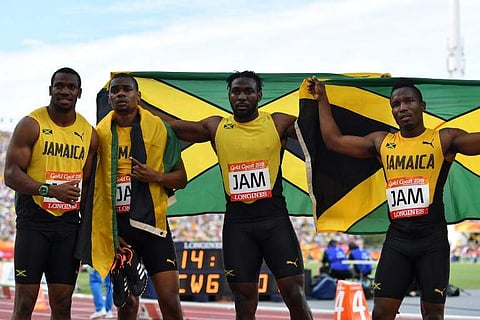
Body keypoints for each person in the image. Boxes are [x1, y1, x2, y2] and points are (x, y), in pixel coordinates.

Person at [309, 76, 480, 320]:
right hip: (398, 240)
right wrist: (322, 99)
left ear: (422, 106)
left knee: (432, 314)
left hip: (432, 241)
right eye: (396, 104)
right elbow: (334, 142)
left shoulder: (444, 139)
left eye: (409, 101)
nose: (402, 108)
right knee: (381, 313)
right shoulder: (382, 142)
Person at [165, 71, 313, 320]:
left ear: (259, 95)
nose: (242, 96)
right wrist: (138, 111)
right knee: (243, 301)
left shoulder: (278, 123)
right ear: (229, 96)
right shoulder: (216, 126)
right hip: (238, 226)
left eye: (248, 91)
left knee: (294, 294)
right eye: (236, 92)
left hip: (275, 221)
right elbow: (172, 127)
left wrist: (318, 100)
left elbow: (319, 134)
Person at [87, 73, 187, 320]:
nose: (121, 94)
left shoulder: (159, 130)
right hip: (118, 230)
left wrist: (156, 176)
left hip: (153, 226)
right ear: (109, 98)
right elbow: (92, 187)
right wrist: (107, 232)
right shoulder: (98, 136)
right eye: (115, 90)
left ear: (138, 96)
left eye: (127, 89)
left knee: (170, 301)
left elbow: (181, 178)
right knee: (127, 304)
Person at [4, 67, 98, 320]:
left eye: (70, 87)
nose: (64, 91)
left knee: (62, 302)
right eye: (59, 86)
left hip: (68, 226)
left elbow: (87, 185)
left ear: (80, 93)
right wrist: (49, 189)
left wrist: (89, 229)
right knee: (24, 303)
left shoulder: (89, 134)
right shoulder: (31, 124)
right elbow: (11, 174)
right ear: (51, 90)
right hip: (34, 222)